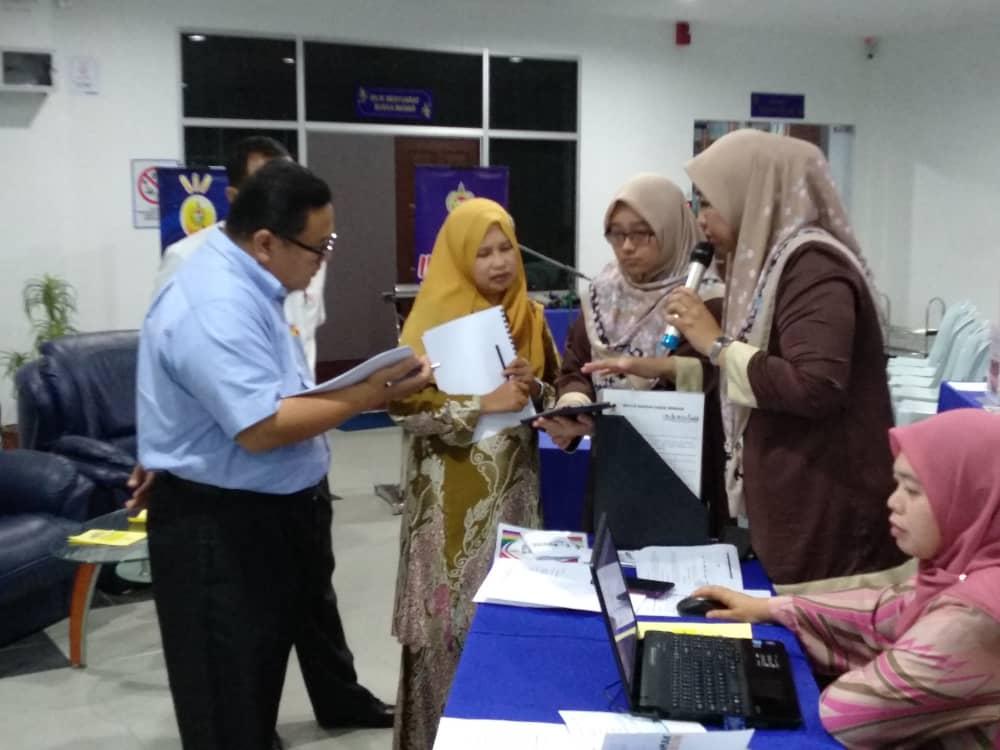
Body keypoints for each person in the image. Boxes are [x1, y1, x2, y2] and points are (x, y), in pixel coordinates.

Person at [137, 160, 431, 750]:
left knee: (253, 686)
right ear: (266, 242)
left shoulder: (251, 281)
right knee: (226, 705)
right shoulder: (215, 302)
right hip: (220, 525)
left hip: (267, 511)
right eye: (317, 247)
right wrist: (370, 394)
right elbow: (262, 426)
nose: (323, 260)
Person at [665, 129, 908, 588]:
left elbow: (815, 386)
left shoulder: (813, 266)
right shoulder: (769, 263)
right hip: (801, 497)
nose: (701, 219)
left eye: (710, 202)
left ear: (754, 194)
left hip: (833, 509)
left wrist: (716, 344)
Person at [692, 409, 1000, 749]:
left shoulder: (973, 616)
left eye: (913, 491)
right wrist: (770, 609)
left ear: (972, 497)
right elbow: (883, 613)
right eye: (898, 485)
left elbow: (849, 714)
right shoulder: (961, 571)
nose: (893, 502)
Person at [388, 198, 561, 750]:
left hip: (514, 501)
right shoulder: (430, 321)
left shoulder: (531, 318)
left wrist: (534, 388)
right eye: (482, 253)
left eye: (506, 248)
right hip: (445, 511)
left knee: (508, 627)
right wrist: (482, 403)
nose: (498, 262)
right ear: (459, 257)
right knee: (443, 635)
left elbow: (556, 398)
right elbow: (403, 410)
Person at [535, 174, 728, 533]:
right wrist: (574, 406)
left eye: (642, 234)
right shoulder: (602, 294)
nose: (626, 247)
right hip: (615, 466)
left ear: (671, 230)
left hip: (683, 467)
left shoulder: (706, 299)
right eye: (616, 234)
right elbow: (577, 367)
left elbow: (710, 378)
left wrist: (650, 371)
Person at [153, 135, 327, 372]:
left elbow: (307, 332)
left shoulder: (307, 254)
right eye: (269, 193)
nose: (284, 204)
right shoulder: (186, 257)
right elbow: (169, 349)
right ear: (234, 198)